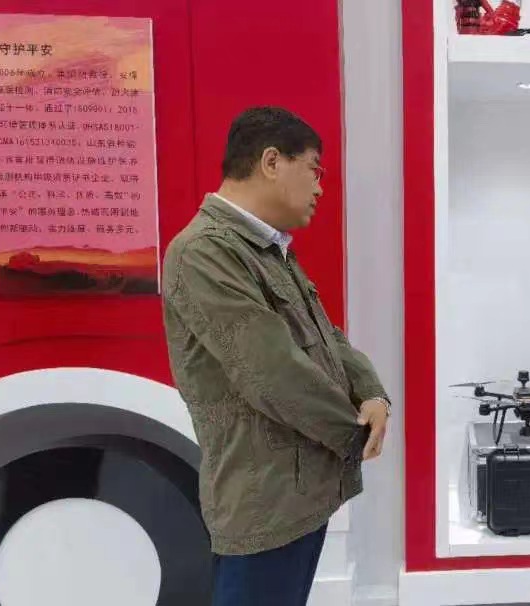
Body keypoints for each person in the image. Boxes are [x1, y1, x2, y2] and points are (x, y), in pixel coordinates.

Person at [161, 106, 391, 606]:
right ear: (271, 161)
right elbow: (272, 371)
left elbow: (326, 336)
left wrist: (373, 393)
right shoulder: (204, 252)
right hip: (262, 502)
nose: (320, 188)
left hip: (297, 492)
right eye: (314, 170)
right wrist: (352, 435)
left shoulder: (266, 250)